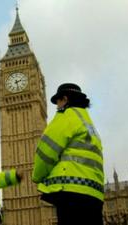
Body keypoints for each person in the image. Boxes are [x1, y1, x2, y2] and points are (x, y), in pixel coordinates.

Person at [31, 83, 104, 225]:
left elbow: (46, 151)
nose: (57, 107)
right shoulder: (88, 123)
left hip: (71, 192)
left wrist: (36, 176)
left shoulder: (66, 117)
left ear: (64, 100)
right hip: (94, 194)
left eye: (57, 102)